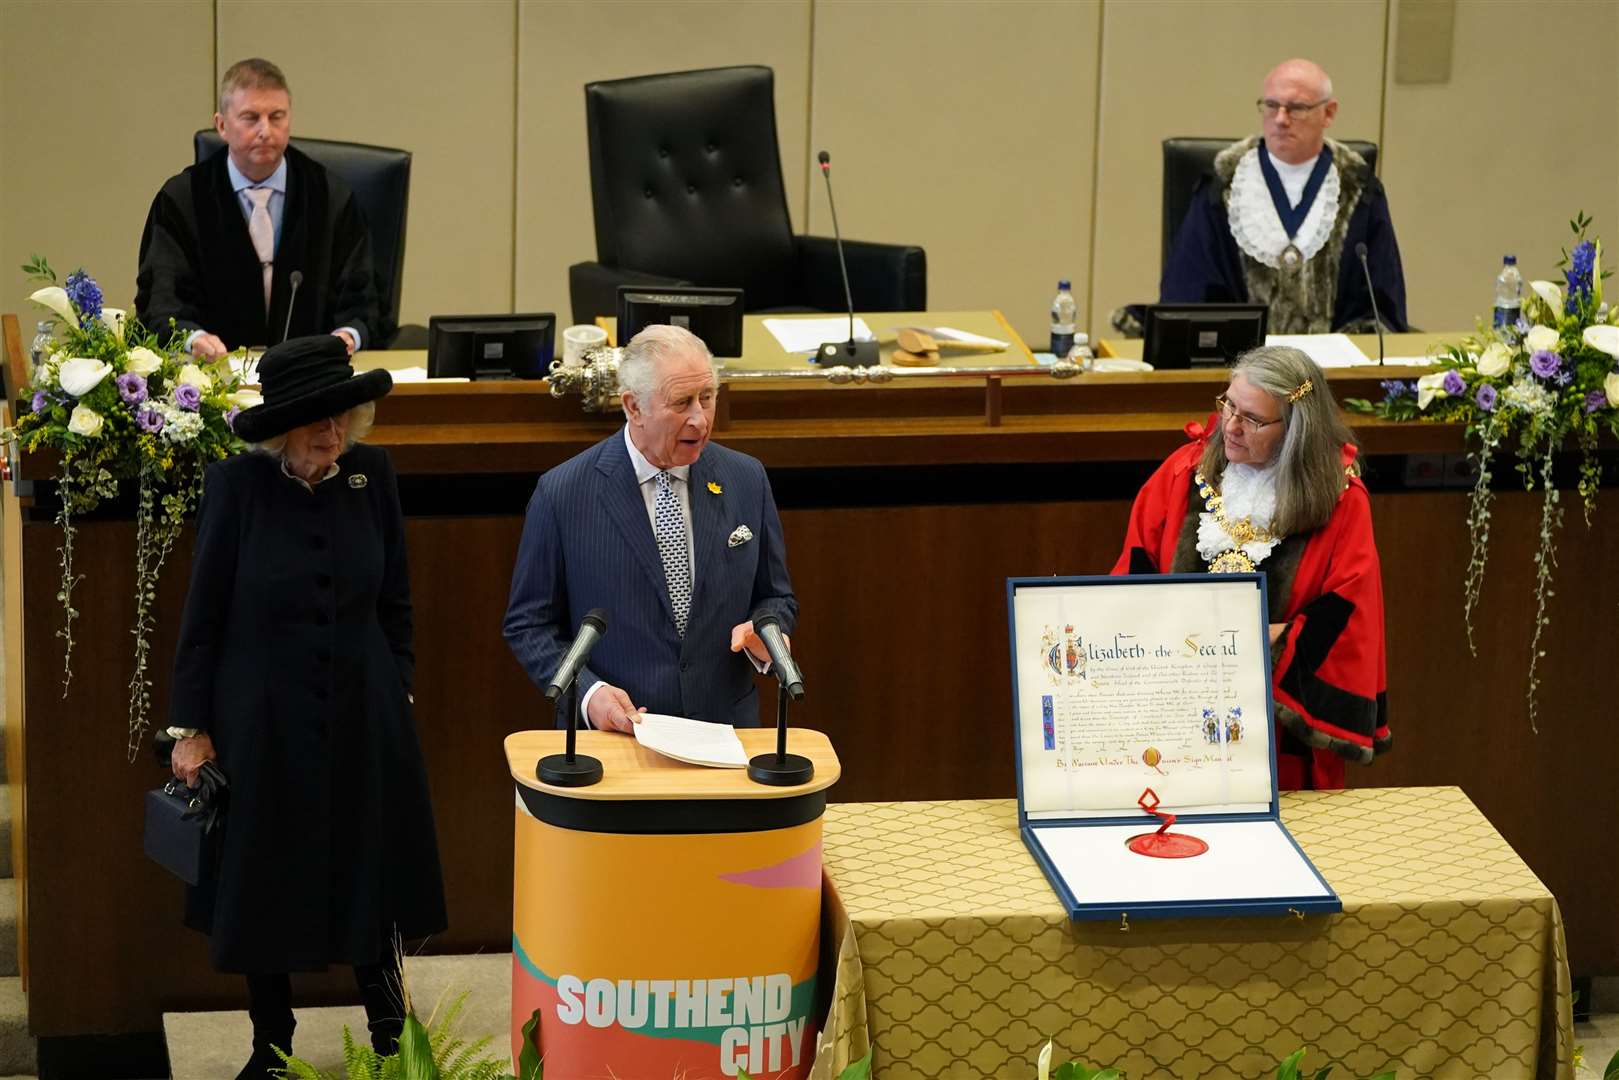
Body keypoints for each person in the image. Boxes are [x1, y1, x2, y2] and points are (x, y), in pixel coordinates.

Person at [167, 335, 445, 1078]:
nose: (333, 433)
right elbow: (205, 613)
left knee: (371, 868)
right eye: (317, 420)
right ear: (282, 425)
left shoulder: (371, 474)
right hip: (260, 713)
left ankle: (392, 1036)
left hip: (365, 708)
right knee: (265, 875)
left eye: (344, 417)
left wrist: (401, 679)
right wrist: (191, 728)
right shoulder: (236, 486)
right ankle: (273, 1044)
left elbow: (396, 597)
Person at [1112, 346, 1391, 790]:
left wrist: (1262, 644)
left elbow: (1348, 614)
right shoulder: (1182, 472)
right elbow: (1133, 571)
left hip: (1275, 734)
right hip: (1169, 713)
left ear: (1295, 430)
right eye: (1228, 406)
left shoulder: (1342, 503)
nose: (1231, 427)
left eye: (1253, 419)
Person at [504, 324, 796, 731]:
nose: (700, 419)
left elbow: (775, 596)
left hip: (725, 733)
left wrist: (767, 632)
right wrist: (589, 694)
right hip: (618, 740)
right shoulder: (563, 493)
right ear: (633, 407)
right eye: (682, 402)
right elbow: (529, 624)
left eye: (707, 397)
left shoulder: (746, 478)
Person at [135, 58, 383, 360]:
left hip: (313, 382)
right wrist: (194, 339)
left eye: (276, 116)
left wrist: (348, 336)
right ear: (222, 125)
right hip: (212, 383)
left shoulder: (330, 196)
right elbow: (160, 301)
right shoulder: (182, 200)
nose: (265, 130)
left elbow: (365, 301)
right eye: (251, 118)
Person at [1159, 58, 1408, 335]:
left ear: (1329, 113)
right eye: (1271, 106)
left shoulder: (1360, 192)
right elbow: (1189, 295)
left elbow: (1382, 304)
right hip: (1238, 369)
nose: (1280, 119)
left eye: (1297, 108)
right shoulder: (1222, 188)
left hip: (1330, 371)